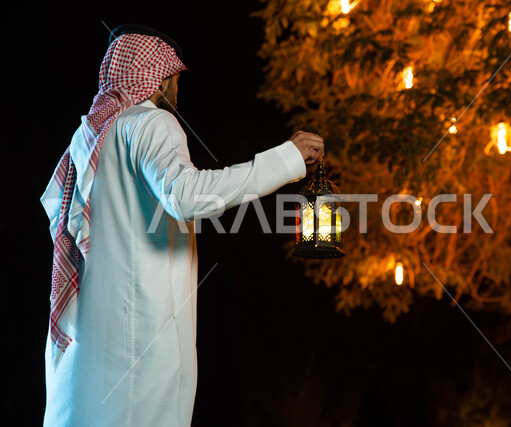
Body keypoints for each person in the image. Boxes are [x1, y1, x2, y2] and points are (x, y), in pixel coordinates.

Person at [40, 25, 324, 426]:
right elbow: (186, 196)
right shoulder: (148, 123)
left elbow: (58, 213)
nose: (177, 88)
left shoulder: (87, 135)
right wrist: (285, 159)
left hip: (87, 338)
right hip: (139, 341)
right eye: (175, 76)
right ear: (161, 74)